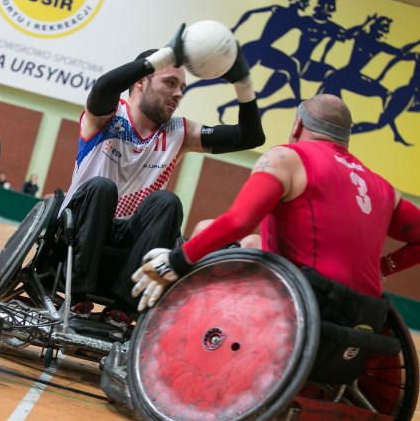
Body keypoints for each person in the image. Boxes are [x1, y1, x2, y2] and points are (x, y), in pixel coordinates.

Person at [59, 23, 266, 328]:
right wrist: (165, 55)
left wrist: (243, 85)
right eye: (170, 82)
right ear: (142, 81)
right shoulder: (107, 114)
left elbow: (249, 138)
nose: (179, 93)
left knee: (167, 202)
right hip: (80, 228)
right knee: (102, 187)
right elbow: (103, 86)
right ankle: (76, 296)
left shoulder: (179, 132)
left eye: (182, 87)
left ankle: (124, 309)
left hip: (132, 238)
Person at [132, 93, 420, 312]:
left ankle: (187, 320)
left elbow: (239, 221)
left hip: (303, 300)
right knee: (252, 243)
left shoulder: (286, 158)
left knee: (209, 231)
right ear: (345, 139)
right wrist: (384, 268)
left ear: (297, 126)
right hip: (363, 310)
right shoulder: (384, 188)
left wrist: (177, 260)